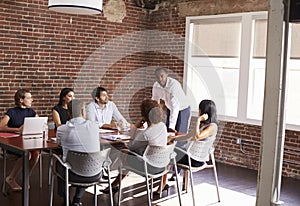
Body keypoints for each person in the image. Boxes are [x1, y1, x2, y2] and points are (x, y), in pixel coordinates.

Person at [101, 99, 168, 193]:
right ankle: (114, 184)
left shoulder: (145, 134)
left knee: (125, 153)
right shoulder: (162, 126)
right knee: (128, 155)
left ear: (144, 115)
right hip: (161, 166)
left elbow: (130, 146)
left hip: (148, 167)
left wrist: (136, 127)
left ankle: (114, 183)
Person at [160, 99, 218, 192]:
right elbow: (188, 136)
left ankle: (161, 186)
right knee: (171, 149)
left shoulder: (213, 127)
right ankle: (167, 183)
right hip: (191, 157)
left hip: (194, 160)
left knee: (166, 154)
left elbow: (197, 137)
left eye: (199, 110)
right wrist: (173, 138)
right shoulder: (203, 126)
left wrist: (198, 120)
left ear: (204, 112)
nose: (198, 112)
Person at [56, 99, 100, 206]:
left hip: (72, 175)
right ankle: (77, 199)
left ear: (69, 113)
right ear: (83, 111)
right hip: (95, 173)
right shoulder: (94, 126)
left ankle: (66, 199)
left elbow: (59, 144)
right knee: (85, 162)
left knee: (58, 162)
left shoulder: (62, 129)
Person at [0, 89, 40, 191]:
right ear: (21, 100)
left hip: (28, 142)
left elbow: (40, 123)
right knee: (27, 154)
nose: (32, 100)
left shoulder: (31, 112)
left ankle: (26, 177)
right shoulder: (12, 112)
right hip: (13, 144)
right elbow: (1, 126)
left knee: (36, 154)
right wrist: (17, 129)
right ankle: (11, 178)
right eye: (29, 98)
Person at [152, 67, 191, 133]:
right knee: (167, 131)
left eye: (162, 76)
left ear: (167, 75)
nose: (160, 79)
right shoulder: (156, 86)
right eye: (157, 77)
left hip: (183, 109)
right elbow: (155, 102)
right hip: (170, 108)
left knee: (178, 133)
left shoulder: (173, 85)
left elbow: (175, 107)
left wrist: (171, 127)